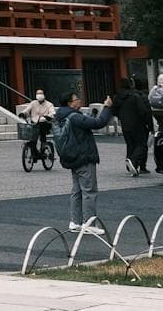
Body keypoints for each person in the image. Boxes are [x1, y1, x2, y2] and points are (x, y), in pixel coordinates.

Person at [54, 91, 114, 236]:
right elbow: (98, 123)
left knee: (77, 190)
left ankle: (75, 221)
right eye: (77, 99)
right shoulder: (75, 117)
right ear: (70, 103)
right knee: (89, 191)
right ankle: (89, 223)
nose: (79, 101)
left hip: (72, 157)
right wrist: (107, 108)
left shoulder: (61, 116)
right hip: (83, 157)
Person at [114, 77, 152, 176]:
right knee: (141, 144)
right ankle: (133, 161)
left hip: (125, 124)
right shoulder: (136, 96)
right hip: (138, 124)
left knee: (130, 144)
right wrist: (149, 125)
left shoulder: (117, 97)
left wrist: (122, 117)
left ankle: (130, 164)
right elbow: (144, 111)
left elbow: (114, 111)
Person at [19, 88, 55, 164]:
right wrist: (23, 113)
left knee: (42, 135)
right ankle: (34, 153)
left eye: (41, 93)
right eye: (37, 93)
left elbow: (52, 113)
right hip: (34, 123)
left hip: (45, 124)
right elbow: (27, 110)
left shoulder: (49, 104)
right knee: (32, 139)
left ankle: (43, 148)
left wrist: (47, 117)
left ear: (44, 95)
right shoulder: (33, 103)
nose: (39, 95)